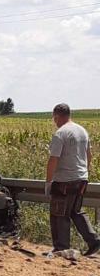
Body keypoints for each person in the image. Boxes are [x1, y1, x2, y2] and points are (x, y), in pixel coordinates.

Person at [46, 103, 100, 256]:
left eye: (54, 118)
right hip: (81, 179)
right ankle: (94, 241)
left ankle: (61, 248)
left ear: (56, 116)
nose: (54, 121)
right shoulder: (82, 131)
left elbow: (53, 160)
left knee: (59, 213)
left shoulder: (61, 133)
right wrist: (84, 173)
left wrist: (49, 182)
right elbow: (89, 155)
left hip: (64, 181)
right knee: (76, 211)